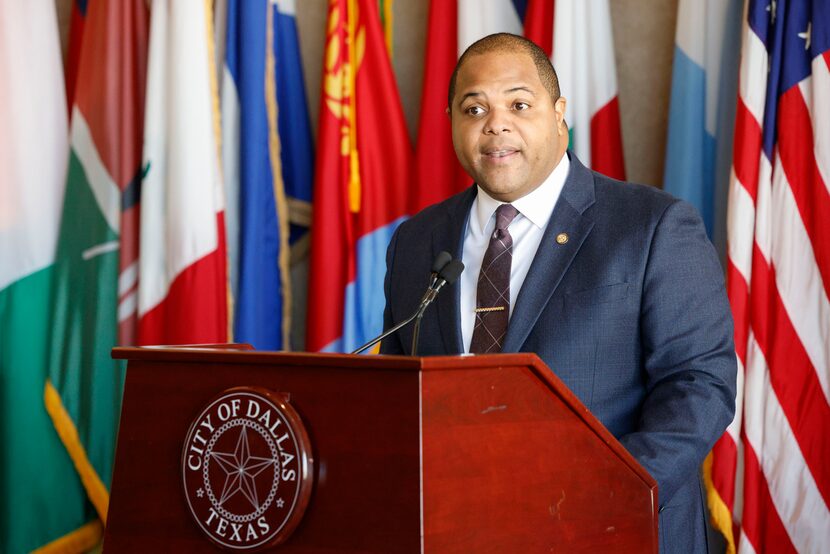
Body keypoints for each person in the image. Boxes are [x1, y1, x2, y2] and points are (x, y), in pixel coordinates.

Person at [380, 33, 736, 553]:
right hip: (458, 530)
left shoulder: (652, 226)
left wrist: (601, 494)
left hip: (613, 529)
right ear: (453, 122)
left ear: (558, 113)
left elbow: (699, 384)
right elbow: (399, 390)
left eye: (519, 104)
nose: (495, 123)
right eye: (473, 107)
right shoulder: (417, 241)